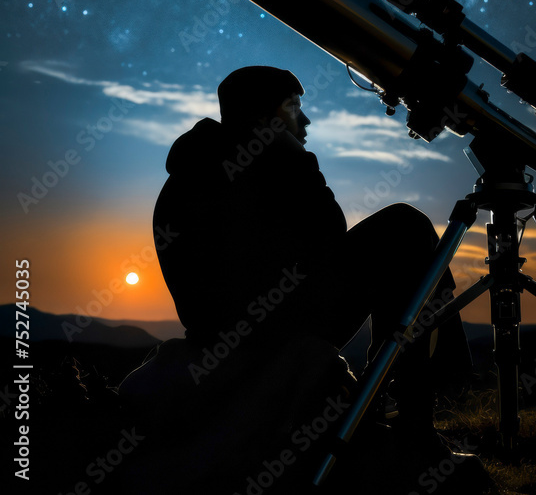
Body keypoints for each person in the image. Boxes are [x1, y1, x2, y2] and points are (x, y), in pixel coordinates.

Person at [124, 65, 486, 493]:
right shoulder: (277, 159)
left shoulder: (186, 173)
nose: (306, 120)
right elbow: (330, 235)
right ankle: (416, 431)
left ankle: (392, 399)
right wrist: (296, 159)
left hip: (224, 328)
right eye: (294, 106)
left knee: (407, 236)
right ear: (262, 117)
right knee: (406, 227)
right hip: (273, 327)